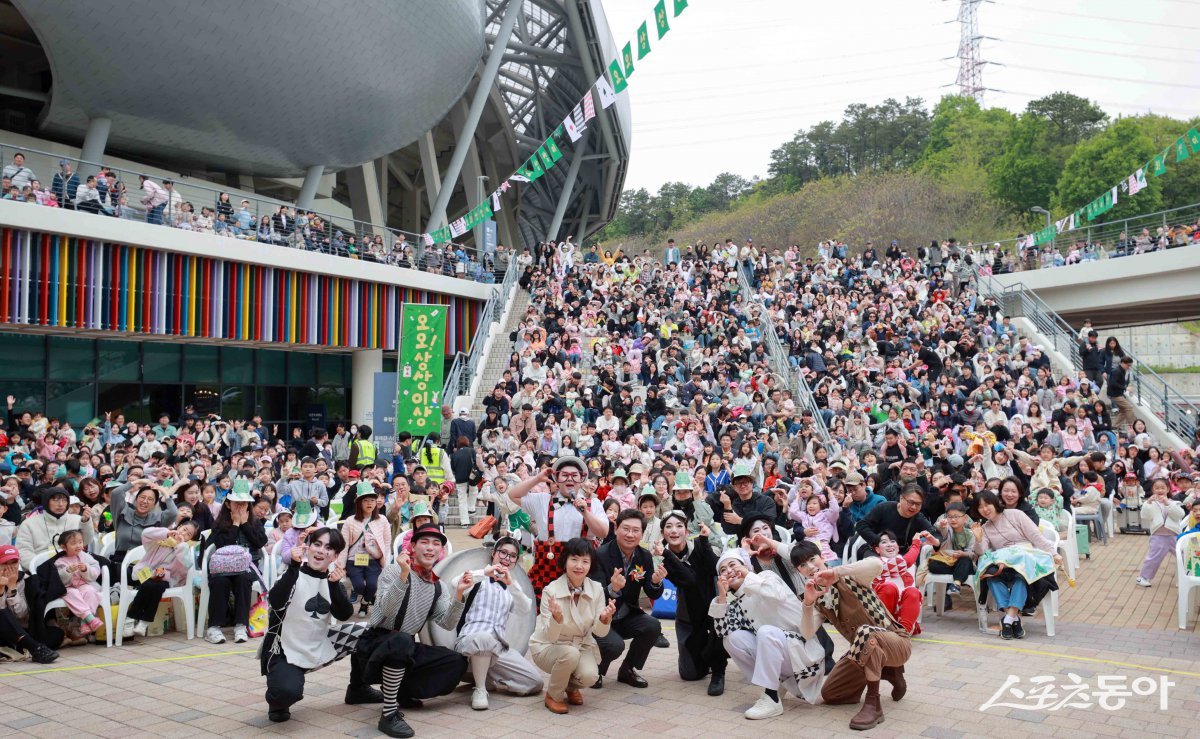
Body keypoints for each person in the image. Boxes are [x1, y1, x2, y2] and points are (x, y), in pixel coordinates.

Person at [345, 524, 469, 739]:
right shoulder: (394, 570)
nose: (430, 548)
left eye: (436, 543)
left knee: (455, 661)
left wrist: (459, 595)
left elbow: (447, 623)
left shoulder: (438, 586)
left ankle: (402, 691)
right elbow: (386, 610)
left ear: (441, 551)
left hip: (404, 646)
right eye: (424, 542)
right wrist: (404, 575)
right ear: (412, 546)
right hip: (374, 643)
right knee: (401, 641)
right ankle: (389, 714)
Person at [792, 541, 913, 731]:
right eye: (802, 565)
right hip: (864, 649)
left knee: (865, 631)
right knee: (831, 693)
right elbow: (807, 633)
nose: (809, 567)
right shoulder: (819, 598)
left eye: (812, 559)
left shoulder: (851, 576)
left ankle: (874, 704)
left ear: (822, 557)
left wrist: (836, 572)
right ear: (799, 571)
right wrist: (807, 603)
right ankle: (888, 671)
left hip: (896, 642)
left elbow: (876, 564)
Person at [709, 547, 826, 720]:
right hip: (784, 658)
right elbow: (721, 631)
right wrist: (722, 596)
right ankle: (775, 684)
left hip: (804, 655)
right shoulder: (736, 602)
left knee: (766, 632)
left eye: (733, 565)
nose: (729, 571)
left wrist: (748, 575)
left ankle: (771, 697)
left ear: (745, 566)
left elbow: (776, 594)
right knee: (732, 639)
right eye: (723, 570)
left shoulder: (766, 577)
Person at [260, 526, 354, 723]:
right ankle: (279, 698)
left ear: (335, 556)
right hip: (285, 649)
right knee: (285, 692)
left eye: (328, 548)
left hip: (320, 643)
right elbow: (276, 601)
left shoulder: (332, 580)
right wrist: (293, 567)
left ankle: (358, 688)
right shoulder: (291, 574)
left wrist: (335, 586)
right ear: (307, 547)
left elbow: (344, 614)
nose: (320, 551)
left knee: (369, 635)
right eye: (317, 544)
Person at [449, 537, 544, 710]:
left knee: (534, 682)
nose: (507, 559)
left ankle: (487, 676)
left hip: (498, 648)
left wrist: (511, 584)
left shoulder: (511, 586)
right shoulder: (479, 578)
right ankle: (480, 689)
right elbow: (455, 583)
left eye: (513, 556)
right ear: (494, 553)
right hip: (470, 640)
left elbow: (524, 609)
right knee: (484, 638)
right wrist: (485, 573)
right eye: (503, 553)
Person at [529, 536, 616, 714]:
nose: (579, 566)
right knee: (569, 654)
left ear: (591, 565)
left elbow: (599, 633)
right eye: (574, 559)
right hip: (548, 646)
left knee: (590, 676)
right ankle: (553, 695)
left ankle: (568, 687)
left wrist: (605, 618)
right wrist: (557, 618)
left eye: (585, 561)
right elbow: (550, 636)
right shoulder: (551, 590)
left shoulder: (597, 589)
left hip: (580, 645)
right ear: (565, 561)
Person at [507, 456, 607, 602]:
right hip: (546, 570)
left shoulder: (594, 504)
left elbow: (603, 532)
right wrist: (537, 479)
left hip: (580, 571)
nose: (569, 479)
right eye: (564, 475)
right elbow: (512, 494)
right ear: (556, 479)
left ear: (581, 480)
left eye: (574, 476)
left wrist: (585, 512)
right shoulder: (542, 500)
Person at [590, 509, 665, 689]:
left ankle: (627, 669)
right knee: (614, 646)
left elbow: (652, 592)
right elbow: (593, 594)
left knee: (652, 625)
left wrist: (655, 582)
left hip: (626, 613)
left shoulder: (644, 556)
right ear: (616, 528)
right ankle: (596, 672)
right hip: (600, 617)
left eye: (636, 530)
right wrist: (612, 589)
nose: (630, 534)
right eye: (626, 528)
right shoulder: (600, 555)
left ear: (642, 533)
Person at [972, 490, 1058, 639]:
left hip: (1024, 557)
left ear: (995, 503)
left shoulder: (1015, 514)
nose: (985, 509)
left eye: (987, 505)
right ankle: (1013, 619)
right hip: (1003, 563)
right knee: (991, 574)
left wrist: (1054, 553)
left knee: (1021, 576)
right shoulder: (985, 528)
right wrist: (978, 539)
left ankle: (1008, 619)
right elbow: (982, 552)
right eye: (980, 507)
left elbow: (1035, 536)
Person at [659, 511, 727, 695]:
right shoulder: (662, 557)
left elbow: (716, 567)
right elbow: (688, 580)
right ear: (662, 532)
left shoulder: (700, 545)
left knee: (718, 633)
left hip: (714, 611)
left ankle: (718, 672)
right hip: (688, 616)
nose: (674, 531)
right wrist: (666, 554)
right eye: (669, 526)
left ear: (687, 531)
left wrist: (705, 542)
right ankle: (705, 657)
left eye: (679, 526)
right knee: (690, 674)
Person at [199, 479, 268, 644]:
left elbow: (260, 542)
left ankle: (240, 625)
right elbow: (221, 545)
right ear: (228, 505)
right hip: (223, 566)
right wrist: (235, 523)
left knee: (243, 579)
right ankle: (214, 627)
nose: (240, 507)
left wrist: (244, 523)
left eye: (243, 504)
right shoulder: (220, 523)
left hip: (247, 567)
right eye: (236, 503)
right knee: (220, 581)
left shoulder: (254, 522)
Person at [123, 522, 197, 638]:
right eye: (184, 529)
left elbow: (185, 565)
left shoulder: (183, 549)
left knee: (157, 587)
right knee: (148, 585)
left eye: (188, 534)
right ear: (179, 527)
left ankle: (140, 622)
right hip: (144, 573)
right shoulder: (160, 540)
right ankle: (134, 620)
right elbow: (145, 533)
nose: (183, 533)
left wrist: (180, 546)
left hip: (164, 578)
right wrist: (166, 533)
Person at [338, 482, 392, 617]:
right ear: (359, 503)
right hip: (354, 560)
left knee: (373, 585)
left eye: (372, 500)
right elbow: (343, 546)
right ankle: (367, 598)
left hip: (373, 560)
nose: (370, 503)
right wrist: (341, 566)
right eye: (366, 500)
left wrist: (385, 564)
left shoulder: (382, 520)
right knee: (358, 586)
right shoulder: (350, 521)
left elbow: (386, 543)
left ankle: (364, 603)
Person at [0, 544, 59, 663]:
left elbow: (21, 615)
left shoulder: (25, 580)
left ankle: (29, 645)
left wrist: (12, 588)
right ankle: (35, 648)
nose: (10, 567)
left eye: (14, 563)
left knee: (57, 634)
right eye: (5, 563)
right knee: (2, 613)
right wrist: (1, 589)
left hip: (18, 630)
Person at [14, 486, 95, 570]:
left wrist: (86, 522)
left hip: (74, 567)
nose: (60, 504)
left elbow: (86, 541)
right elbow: (24, 551)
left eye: (64, 500)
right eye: (55, 500)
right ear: (46, 502)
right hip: (42, 569)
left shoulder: (77, 519)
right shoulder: (29, 523)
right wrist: (40, 568)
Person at [51, 530, 104, 637]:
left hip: (83, 584)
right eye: (73, 543)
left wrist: (86, 569)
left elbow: (96, 570)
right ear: (64, 547)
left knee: (90, 591)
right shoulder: (60, 561)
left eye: (80, 542)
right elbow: (58, 579)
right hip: (68, 587)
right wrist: (67, 571)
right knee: (72, 594)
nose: (78, 545)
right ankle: (89, 618)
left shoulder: (85, 556)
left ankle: (85, 623)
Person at [1135, 478, 1186, 587]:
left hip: (1174, 536)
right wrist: (1148, 503)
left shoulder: (1174, 502)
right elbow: (1145, 516)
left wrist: (1168, 503)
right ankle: (1143, 577)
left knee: (1183, 556)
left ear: (1168, 489)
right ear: (1153, 490)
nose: (1160, 490)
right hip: (1158, 536)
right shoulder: (1151, 503)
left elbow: (1179, 515)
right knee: (1153, 558)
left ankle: (1185, 578)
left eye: (1163, 487)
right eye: (1157, 488)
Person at [928, 502, 977, 594]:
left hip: (965, 563)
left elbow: (973, 554)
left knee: (965, 560)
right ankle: (959, 575)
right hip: (948, 562)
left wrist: (963, 554)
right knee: (933, 565)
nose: (953, 520)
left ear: (965, 518)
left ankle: (956, 584)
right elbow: (941, 528)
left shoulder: (971, 534)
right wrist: (942, 525)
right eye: (950, 517)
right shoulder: (947, 530)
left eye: (956, 517)